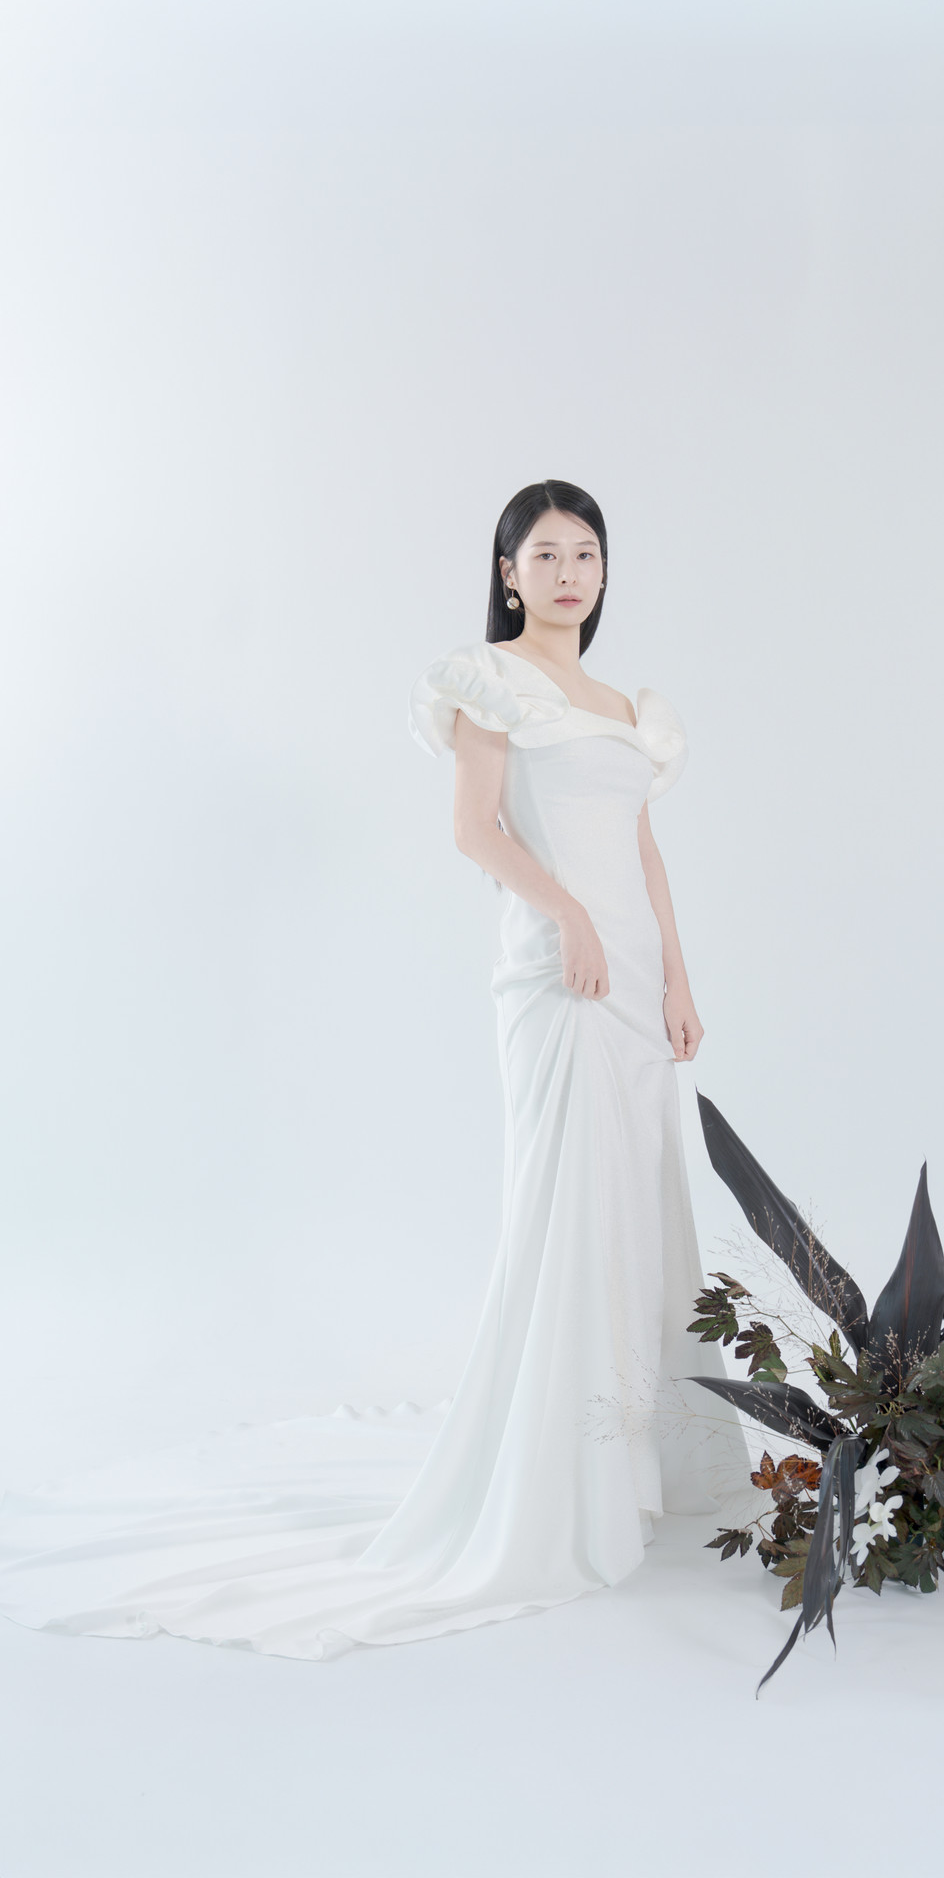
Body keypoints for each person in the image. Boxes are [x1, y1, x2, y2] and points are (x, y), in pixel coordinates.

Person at [0, 479, 745, 1659]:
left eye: (585, 554)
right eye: (545, 554)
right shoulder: (488, 678)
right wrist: (567, 917)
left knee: (637, 1205)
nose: (567, 573)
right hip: (558, 975)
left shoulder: (624, 708)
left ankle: (631, 1462)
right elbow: (474, 828)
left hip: (636, 981)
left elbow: (643, 850)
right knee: (568, 1208)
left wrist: (681, 980)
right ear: (507, 572)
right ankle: (557, 1482)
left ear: (605, 572)